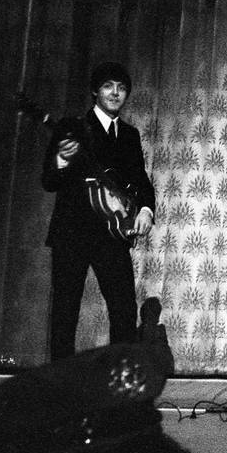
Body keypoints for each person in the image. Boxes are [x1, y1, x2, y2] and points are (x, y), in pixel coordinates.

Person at [42, 62, 155, 362]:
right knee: (65, 312)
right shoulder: (73, 128)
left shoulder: (129, 135)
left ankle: (120, 382)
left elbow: (140, 179)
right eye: (108, 86)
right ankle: (62, 382)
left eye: (121, 88)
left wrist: (145, 209)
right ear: (95, 91)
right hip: (73, 234)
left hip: (112, 233)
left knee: (124, 310)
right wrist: (62, 161)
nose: (115, 93)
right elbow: (49, 181)